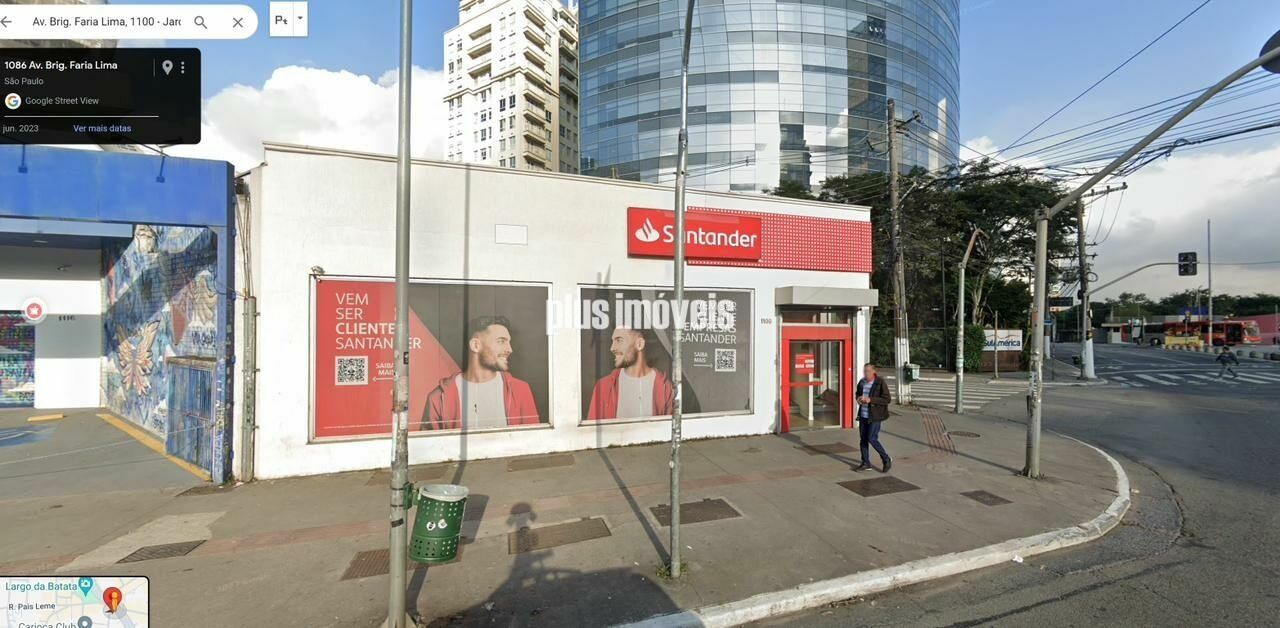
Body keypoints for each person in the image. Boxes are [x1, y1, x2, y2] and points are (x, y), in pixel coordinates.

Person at [422, 315, 540, 430]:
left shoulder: (520, 390)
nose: (510, 349)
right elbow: (430, 442)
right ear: (475, 345)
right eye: (501, 341)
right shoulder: (438, 398)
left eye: (509, 342)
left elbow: (533, 440)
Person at [587, 327, 675, 420]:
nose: (612, 348)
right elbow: (591, 429)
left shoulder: (666, 389)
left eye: (619, 340)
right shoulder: (603, 387)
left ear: (639, 344)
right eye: (613, 341)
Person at [854, 362, 892, 473]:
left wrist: (870, 400)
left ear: (874, 371)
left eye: (868, 371)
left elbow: (887, 399)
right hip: (863, 415)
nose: (866, 373)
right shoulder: (862, 382)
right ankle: (865, 463)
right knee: (863, 440)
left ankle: (886, 459)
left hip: (875, 416)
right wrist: (858, 399)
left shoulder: (880, 382)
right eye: (865, 371)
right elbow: (857, 393)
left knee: (872, 438)